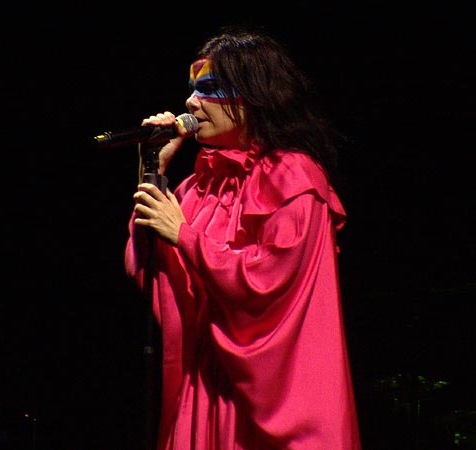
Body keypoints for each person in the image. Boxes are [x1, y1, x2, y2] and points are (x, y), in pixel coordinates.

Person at [124, 25, 362, 450]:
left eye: (210, 88)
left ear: (255, 97)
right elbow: (157, 277)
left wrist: (186, 236)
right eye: (192, 89)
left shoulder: (294, 177)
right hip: (205, 390)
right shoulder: (199, 186)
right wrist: (154, 172)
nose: (191, 102)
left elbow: (270, 284)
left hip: (264, 393)